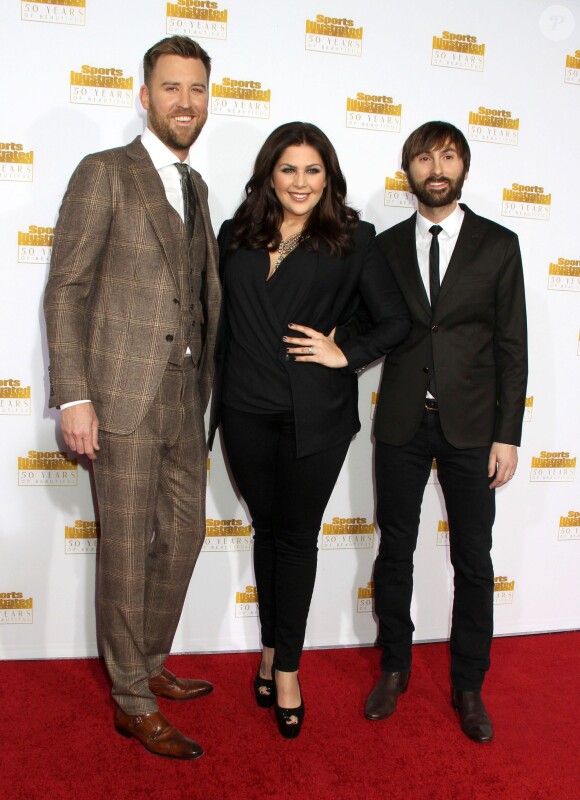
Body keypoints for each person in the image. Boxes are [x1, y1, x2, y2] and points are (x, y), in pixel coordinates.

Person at [43, 36, 221, 760]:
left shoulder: (198, 187)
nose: (186, 102)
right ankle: (131, 700)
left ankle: (144, 661)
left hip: (185, 396)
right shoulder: (104, 173)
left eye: (198, 89)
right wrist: (74, 395)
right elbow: (69, 287)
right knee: (122, 549)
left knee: (185, 537)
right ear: (144, 97)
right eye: (172, 88)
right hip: (118, 395)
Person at [211, 121, 410, 739]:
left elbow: (395, 321)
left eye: (313, 170)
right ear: (270, 173)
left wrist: (343, 353)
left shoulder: (353, 239)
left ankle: (288, 667)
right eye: (289, 169)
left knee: (295, 538)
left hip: (313, 418)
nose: (301, 182)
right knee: (266, 532)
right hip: (245, 411)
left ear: (330, 177)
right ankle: (271, 649)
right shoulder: (234, 235)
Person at [365, 121, 528, 742]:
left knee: (474, 560)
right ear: (407, 170)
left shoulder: (498, 245)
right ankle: (395, 667)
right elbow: (371, 328)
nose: (436, 167)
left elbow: (513, 347)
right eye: (424, 156)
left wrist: (507, 434)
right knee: (395, 549)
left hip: (472, 428)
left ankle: (468, 684)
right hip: (403, 422)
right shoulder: (382, 248)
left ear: (465, 167)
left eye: (448, 156)